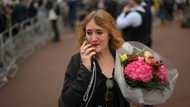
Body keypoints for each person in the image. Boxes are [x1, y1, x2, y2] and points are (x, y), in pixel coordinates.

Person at [58, 9, 131, 107]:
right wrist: (85, 69)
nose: (93, 39)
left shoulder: (122, 57)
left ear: (110, 34)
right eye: (89, 32)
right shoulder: (77, 61)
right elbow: (65, 103)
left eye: (99, 32)